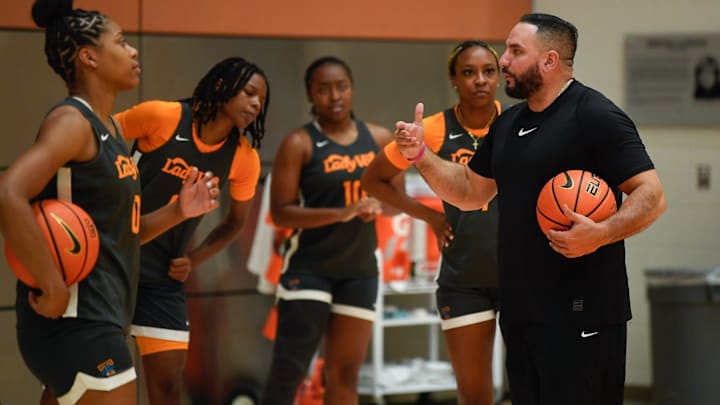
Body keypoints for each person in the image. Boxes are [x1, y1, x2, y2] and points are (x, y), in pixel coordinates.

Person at [393, 13, 666, 405]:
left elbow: (652, 195)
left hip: (583, 313)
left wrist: (602, 233)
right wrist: (420, 154)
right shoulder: (508, 124)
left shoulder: (594, 115)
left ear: (550, 61)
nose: (503, 60)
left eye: (515, 51)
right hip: (521, 312)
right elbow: (470, 191)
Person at [0, 1, 219, 405]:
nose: (133, 51)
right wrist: (51, 285)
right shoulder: (71, 122)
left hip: (98, 319)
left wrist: (179, 211)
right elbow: (9, 193)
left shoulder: (109, 132)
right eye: (120, 42)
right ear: (89, 57)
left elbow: (123, 233)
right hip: (77, 321)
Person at [113, 57, 269, 405]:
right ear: (220, 86)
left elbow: (235, 224)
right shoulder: (162, 116)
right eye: (249, 92)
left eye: (262, 99)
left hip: (162, 278)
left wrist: (193, 259)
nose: (257, 103)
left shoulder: (243, 158)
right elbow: (96, 138)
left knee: (169, 387)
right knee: (98, 385)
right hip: (112, 265)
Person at [361, 40, 502, 405]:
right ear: (454, 80)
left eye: (489, 71)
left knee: (533, 386)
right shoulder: (434, 129)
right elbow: (372, 180)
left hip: (520, 275)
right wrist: (428, 216)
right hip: (464, 279)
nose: (480, 80)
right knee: (475, 394)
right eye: (468, 73)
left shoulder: (519, 124)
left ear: (500, 76)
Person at [259, 56, 401, 405]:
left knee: (345, 374)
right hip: (309, 270)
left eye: (341, 86)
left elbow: (398, 202)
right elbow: (281, 213)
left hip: (360, 271)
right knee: (289, 370)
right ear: (310, 95)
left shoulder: (379, 137)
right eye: (323, 89)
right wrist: (342, 213)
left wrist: (376, 207)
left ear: (352, 89)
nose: (334, 96)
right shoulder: (299, 143)